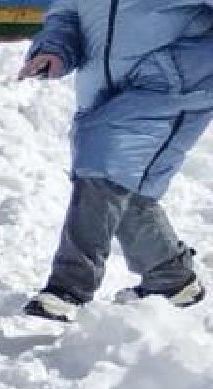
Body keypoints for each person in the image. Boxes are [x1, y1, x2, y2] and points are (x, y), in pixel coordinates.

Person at [17, 0, 210, 321]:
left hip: (171, 89)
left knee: (101, 173)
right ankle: (171, 278)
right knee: (123, 187)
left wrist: (177, 66)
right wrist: (54, 51)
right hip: (103, 91)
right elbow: (67, 14)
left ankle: (69, 287)